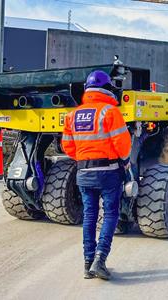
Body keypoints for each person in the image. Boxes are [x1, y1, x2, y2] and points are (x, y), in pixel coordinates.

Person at [61, 70, 131, 280]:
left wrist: (84, 159)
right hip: (109, 172)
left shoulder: (73, 115)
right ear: (108, 89)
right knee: (110, 214)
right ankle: (100, 260)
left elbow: (67, 146)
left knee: (90, 215)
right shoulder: (110, 112)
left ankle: (87, 262)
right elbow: (123, 145)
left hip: (83, 172)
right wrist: (125, 161)